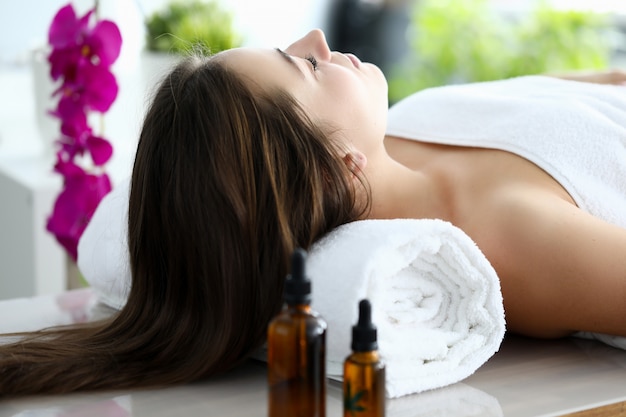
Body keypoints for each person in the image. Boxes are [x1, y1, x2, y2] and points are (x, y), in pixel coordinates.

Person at [1, 29, 625, 397]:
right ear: (335, 162)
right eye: (303, 66)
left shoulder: (403, 127)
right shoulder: (516, 241)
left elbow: (579, 90)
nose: (318, 42)